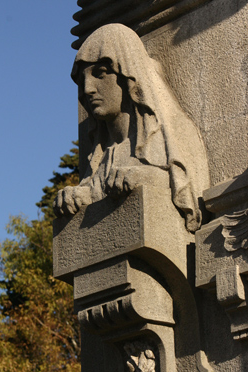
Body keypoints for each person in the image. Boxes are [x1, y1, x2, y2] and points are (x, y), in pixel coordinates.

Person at [53, 24, 209, 232]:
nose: (88, 89)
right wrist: (81, 195)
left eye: (100, 73)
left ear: (128, 75)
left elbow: (191, 200)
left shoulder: (174, 134)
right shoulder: (104, 157)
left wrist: (147, 177)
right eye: (83, 80)